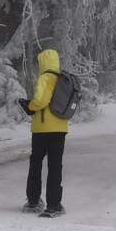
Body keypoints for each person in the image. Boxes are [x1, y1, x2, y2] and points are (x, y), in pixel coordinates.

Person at [18, 47, 69, 218]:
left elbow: (40, 100)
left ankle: (33, 201)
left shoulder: (45, 77)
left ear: (43, 62)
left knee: (36, 164)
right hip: (60, 129)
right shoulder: (64, 80)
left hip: (41, 130)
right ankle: (54, 204)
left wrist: (29, 106)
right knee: (55, 167)